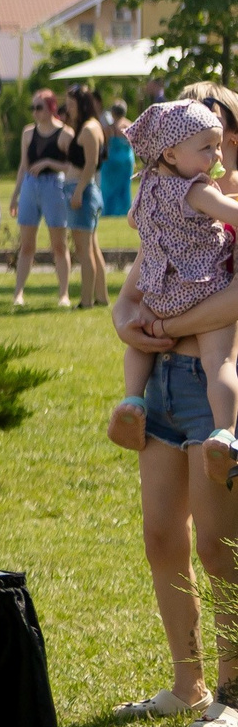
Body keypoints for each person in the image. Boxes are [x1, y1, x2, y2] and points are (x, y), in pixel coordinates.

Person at [108, 82, 238, 727]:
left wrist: (173, 316)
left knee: (220, 547)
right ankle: (186, 683)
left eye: (217, 134)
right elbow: (131, 295)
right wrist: (130, 323)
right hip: (160, 382)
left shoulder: (225, 212)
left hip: (212, 393)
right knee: (163, 536)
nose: (207, 149)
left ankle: (233, 691)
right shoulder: (175, 209)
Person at [104, 101, 238, 462]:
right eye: (207, 148)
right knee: (220, 362)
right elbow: (232, 215)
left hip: (160, 290)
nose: (215, 156)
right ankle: (225, 432)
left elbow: (133, 222)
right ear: (172, 153)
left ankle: (132, 398)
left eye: (218, 146)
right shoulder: (196, 190)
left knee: (140, 344)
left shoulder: (148, 186)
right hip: (203, 287)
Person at [13, 88, 79, 307]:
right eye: (32, 108)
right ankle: (18, 294)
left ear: (51, 108)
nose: (35, 112)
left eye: (39, 107)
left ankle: (63, 294)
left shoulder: (66, 133)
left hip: (54, 185)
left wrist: (49, 163)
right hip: (31, 186)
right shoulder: (28, 133)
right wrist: (15, 195)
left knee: (59, 244)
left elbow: (72, 166)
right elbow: (23, 165)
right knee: (26, 245)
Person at [62, 85, 111, 310]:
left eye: (71, 104)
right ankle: (101, 296)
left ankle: (86, 300)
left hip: (83, 190)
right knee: (92, 247)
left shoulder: (90, 129)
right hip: (83, 189)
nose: (68, 108)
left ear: (82, 104)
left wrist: (78, 191)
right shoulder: (87, 126)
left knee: (84, 250)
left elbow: (91, 164)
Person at [101, 102, 136, 218]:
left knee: (109, 187)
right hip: (126, 158)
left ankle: (110, 210)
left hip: (112, 158)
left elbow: (105, 145)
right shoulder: (130, 125)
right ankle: (124, 210)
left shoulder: (108, 128)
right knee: (125, 187)